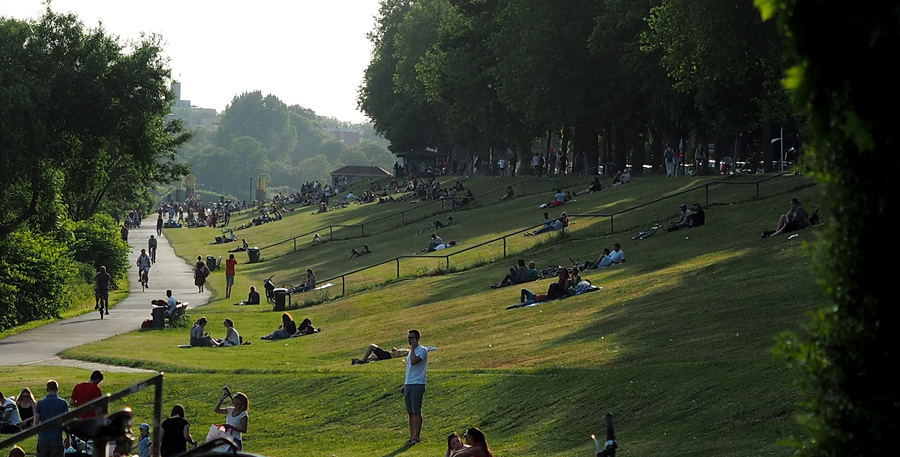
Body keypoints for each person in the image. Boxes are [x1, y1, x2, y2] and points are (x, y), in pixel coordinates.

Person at [403, 329, 428, 446]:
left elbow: (414, 362)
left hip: (417, 383)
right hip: (408, 383)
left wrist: (413, 349)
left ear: (417, 338)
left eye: (411, 338)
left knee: (416, 411)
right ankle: (411, 435)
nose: (409, 340)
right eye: (408, 338)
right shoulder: (410, 351)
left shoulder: (422, 350)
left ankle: (416, 436)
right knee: (410, 412)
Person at [34, 380, 69, 457]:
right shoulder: (63, 403)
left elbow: (35, 423)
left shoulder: (40, 403)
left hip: (43, 438)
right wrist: (68, 438)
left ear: (47, 389)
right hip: (56, 438)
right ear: (57, 389)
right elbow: (67, 423)